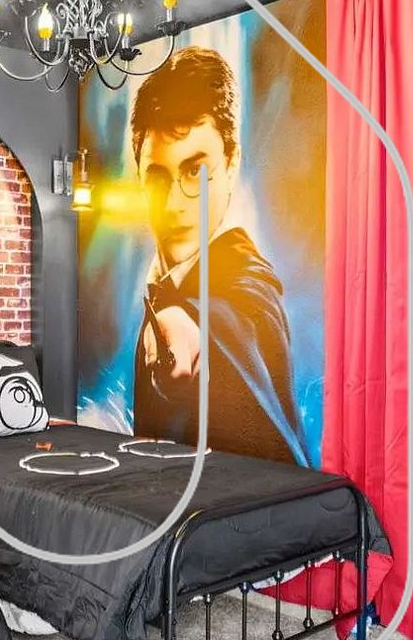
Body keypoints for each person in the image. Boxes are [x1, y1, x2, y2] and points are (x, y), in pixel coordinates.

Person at [127, 46, 308, 465]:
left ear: (231, 164)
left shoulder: (247, 275)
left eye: (195, 172)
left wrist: (189, 324)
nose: (174, 203)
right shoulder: (162, 280)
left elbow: (247, 310)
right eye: (158, 177)